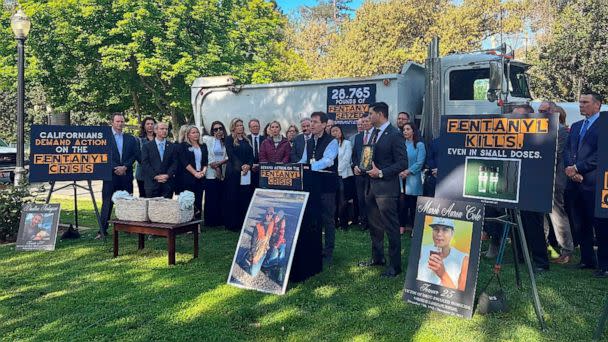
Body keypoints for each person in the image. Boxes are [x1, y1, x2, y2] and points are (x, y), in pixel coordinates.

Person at [356, 102, 408, 277]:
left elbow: (402, 163)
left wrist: (381, 173)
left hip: (386, 189)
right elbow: (369, 157)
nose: (368, 117)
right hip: (370, 188)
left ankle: (395, 266)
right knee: (375, 226)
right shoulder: (372, 134)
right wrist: (361, 167)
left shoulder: (394, 134)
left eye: (371, 114)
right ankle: (377, 258)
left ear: (380, 114)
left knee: (391, 227)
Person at [565, 92, 608, 277]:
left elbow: (601, 156)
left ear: (597, 105)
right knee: (580, 223)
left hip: (595, 184)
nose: (581, 105)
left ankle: (604, 265)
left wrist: (577, 168)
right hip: (575, 184)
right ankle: (587, 259)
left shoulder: (604, 126)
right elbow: (567, 150)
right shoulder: (575, 127)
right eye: (580, 102)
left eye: (585, 102)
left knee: (600, 225)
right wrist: (571, 170)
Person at [510, 104, 550, 272]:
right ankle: (519, 256)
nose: (513, 120)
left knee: (533, 224)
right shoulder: (510, 133)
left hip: (532, 185)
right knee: (515, 221)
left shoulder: (540, 134)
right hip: (513, 184)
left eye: (517, 116)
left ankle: (540, 261)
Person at [299, 111, 339, 264]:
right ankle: (315, 249)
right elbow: (304, 159)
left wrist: (310, 167)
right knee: (313, 219)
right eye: (311, 121)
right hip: (311, 185)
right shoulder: (309, 141)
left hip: (326, 186)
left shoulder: (332, 141)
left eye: (315, 122)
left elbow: (328, 160)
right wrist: (297, 167)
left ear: (323, 124)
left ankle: (328, 252)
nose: (312, 125)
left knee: (328, 219)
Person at [539, 102, 574, 264]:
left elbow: (554, 155)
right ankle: (544, 245)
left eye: (543, 111)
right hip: (543, 178)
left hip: (556, 179)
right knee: (542, 214)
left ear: (554, 113)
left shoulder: (562, 132)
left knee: (557, 214)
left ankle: (566, 250)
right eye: (539, 110)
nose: (539, 113)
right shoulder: (543, 129)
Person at [98, 113, 140, 239]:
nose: (120, 124)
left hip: (126, 174)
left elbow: (134, 155)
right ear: (112, 122)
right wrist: (115, 167)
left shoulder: (131, 138)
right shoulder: (104, 138)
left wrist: (125, 167)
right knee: (107, 202)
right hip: (110, 175)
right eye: (117, 121)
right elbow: (102, 154)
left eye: (122, 121)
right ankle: (102, 230)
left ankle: (128, 228)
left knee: (127, 201)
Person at [417, 217, 469, 291]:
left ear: (452, 233)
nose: (439, 234)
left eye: (445, 229)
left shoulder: (463, 259)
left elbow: (461, 298)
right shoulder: (421, 250)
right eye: (436, 229)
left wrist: (443, 274)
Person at [224, 118, 255, 232]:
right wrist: (241, 166)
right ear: (233, 127)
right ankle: (232, 223)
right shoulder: (229, 139)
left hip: (246, 173)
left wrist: (248, 165)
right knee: (233, 197)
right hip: (234, 172)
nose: (240, 127)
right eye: (238, 125)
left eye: (242, 125)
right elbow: (231, 155)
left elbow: (251, 156)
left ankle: (243, 222)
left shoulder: (246, 140)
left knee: (244, 196)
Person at [399, 122, 426, 235]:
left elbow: (420, 163)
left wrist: (408, 171)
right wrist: (400, 171)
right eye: (404, 129)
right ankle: (401, 226)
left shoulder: (419, 145)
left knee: (413, 204)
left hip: (413, 179)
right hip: (401, 178)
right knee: (402, 204)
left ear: (413, 131)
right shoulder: (401, 144)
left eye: (408, 129)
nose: (405, 131)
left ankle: (415, 228)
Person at [141, 122, 179, 198]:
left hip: (167, 184)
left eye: (166, 129)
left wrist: (167, 175)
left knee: (166, 208)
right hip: (152, 184)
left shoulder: (173, 146)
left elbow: (175, 163)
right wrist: (156, 176)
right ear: (155, 130)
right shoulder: (147, 146)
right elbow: (145, 163)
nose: (165, 131)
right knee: (152, 209)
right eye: (162, 129)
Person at [178, 125, 208, 219]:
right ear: (188, 135)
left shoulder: (203, 146)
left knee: (198, 200)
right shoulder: (183, 146)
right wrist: (195, 173)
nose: (196, 134)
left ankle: (197, 223)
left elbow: (205, 162)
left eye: (197, 132)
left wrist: (203, 172)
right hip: (188, 177)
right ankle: (187, 222)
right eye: (193, 132)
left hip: (200, 176)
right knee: (188, 200)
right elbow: (185, 162)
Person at [202, 121, 228, 227]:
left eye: (220, 128)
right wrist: (216, 167)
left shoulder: (227, 141)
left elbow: (228, 156)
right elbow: (207, 154)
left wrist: (220, 165)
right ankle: (210, 221)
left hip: (223, 171)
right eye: (215, 129)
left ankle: (220, 220)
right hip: (211, 171)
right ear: (212, 131)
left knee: (221, 195)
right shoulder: (208, 140)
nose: (218, 131)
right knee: (211, 196)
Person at [351, 114, 373, 230]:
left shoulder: (376, 135)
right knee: (361, 198)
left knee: (370, 199)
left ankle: (372, 222)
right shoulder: (358, 137)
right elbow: (354, 154)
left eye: (366, 121)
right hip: (359, 173)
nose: (364, 124)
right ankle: (363, 223)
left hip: (371, 173)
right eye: (362, 122)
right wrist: (355, 166)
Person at [331, 125, 354, 230]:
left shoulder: (347, 143)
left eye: (337, 130)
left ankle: (344, 223)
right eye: (333, 131)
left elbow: (346, 159)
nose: (335, 133)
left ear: (341, 132)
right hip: (333, 176)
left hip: (344, 175)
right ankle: (335, 222)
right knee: (334, 201)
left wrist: (338, 171)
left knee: (343, 201)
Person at [135, 116, 156, 197]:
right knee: (143, 196)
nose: (150, 125)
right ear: (144, 126)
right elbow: (137, 155)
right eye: (148, 124)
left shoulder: (159, 139)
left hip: (157, 172)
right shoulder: (138, 140)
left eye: (152, 124)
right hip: (142, 173)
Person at [248, 119, 265, 188]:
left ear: (259, 127)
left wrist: (259, 165)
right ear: (249, 128)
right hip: (249, 169)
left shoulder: (265, 139)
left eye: (257, 126)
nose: (255, 128)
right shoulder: (246, 139)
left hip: (261, 170)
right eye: (253, 126)